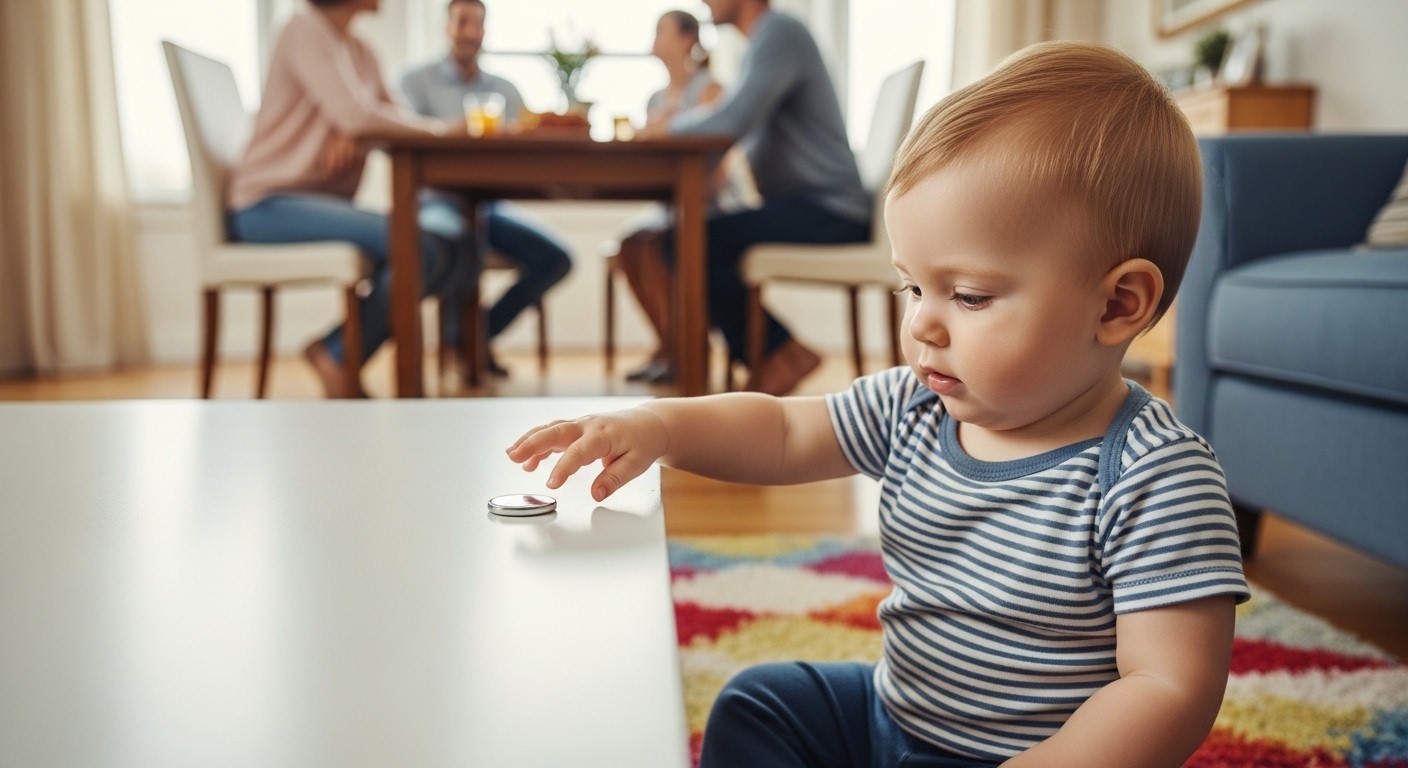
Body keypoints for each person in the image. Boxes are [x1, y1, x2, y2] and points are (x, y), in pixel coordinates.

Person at [506, 41, 1250, 768]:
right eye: (912, 287)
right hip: (891, 712)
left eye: (968, 296)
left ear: (1119, 303)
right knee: (758, 702)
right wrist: (661, 425)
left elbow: (1169, 687)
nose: (922, 323)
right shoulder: (914, 407)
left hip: (1020, 754)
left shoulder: (1155, 477)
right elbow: (784, 429)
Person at [228, 0, 474, 398]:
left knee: (451, 249)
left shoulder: (361, 51)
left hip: (317, 204)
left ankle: (338, 351)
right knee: (422, 248)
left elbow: (389, 118)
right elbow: (360, 115)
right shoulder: (303, 29)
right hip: (267, 204)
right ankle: (338, 354)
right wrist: (370, 123)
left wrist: (360, 124)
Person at [638, 0, 871, 396]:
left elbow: (732, 118)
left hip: (828, 207)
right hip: (804, 203)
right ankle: (777, 354)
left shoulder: (780, 32)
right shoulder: (764, 41)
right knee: (691, 239)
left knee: (686, 241)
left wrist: (667, 129)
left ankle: (779, 353)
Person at [398, 0, 572, 377]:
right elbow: (403, 138)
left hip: (491, 207)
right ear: (446, 27)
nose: (471, 33)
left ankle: (472, 337)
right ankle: (457, 348)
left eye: (478, 24)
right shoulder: (414, 83)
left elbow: (529, 147)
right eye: (463, 23)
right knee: (459, 239)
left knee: (556, 259)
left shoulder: (505, 91)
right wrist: (450, 130)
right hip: (438, 204)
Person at [613, 9, 746, 384]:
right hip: (669, 207)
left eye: (660, 31)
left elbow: (717, 168)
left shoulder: (710, 89)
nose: (653, 39)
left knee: (655, 244)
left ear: (687, 39)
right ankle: (669, 346)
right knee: (630, 245)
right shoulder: (655, 99)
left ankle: (685, 350)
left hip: (713, 206)